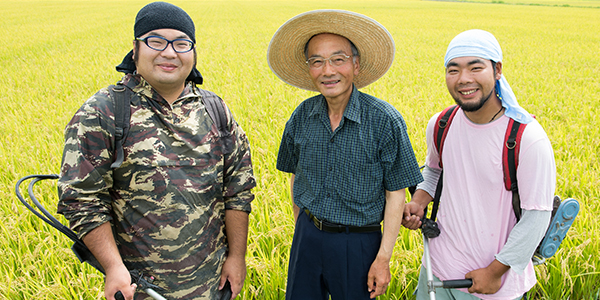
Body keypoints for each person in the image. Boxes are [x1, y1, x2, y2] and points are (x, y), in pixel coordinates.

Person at [57, 2, 256, 299]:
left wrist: (237, 257)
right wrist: (113, 267)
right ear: (135, 49)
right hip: (140, 288)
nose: (169, 52)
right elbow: (82, 199)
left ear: (193, 52)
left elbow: (238, 188)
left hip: (213, 286)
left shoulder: (215, 109)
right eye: (156, 41)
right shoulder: (105, 111)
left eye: (181, 43)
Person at [267, 10, 423, 299]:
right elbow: (294, 175)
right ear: (309, 68)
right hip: (307, 235)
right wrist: (301, 226)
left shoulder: (384, 120)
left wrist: (383, 258)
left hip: (358, 243)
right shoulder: (302, 116)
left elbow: (396, 194)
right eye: (317, 61)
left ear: (356, 64)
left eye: (338, 60)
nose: (328, 71)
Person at [402, 29, 556, 300]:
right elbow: (434, 172)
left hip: (491, 284)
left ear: (497, 70)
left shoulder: (526, 137)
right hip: (435, 269)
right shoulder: (441, 124)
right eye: (453, 70)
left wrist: (495, 272)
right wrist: (419, 200)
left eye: (475, 67)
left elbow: (536, 218)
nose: (463, 79)